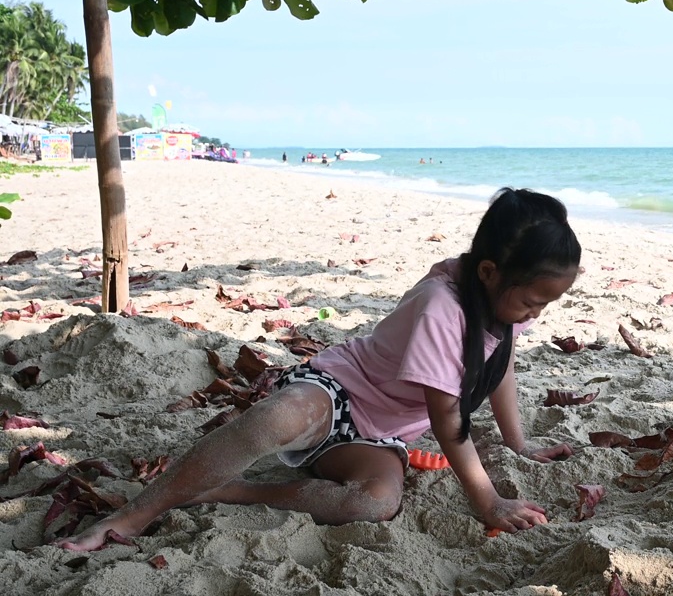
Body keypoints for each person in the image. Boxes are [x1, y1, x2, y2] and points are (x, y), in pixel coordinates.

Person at [60, 188, 581, 551]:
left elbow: (501, 360)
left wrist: (519, 442)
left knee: (375, 505)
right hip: (337, 389)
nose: (536, 314)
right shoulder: (443, 305)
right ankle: (136, 512)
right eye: (534, 301)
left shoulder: (502, 305)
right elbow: (448, 422)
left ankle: (218, 490)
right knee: (273, 419)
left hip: (378, 436)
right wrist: (487, 501)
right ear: (490, 272)